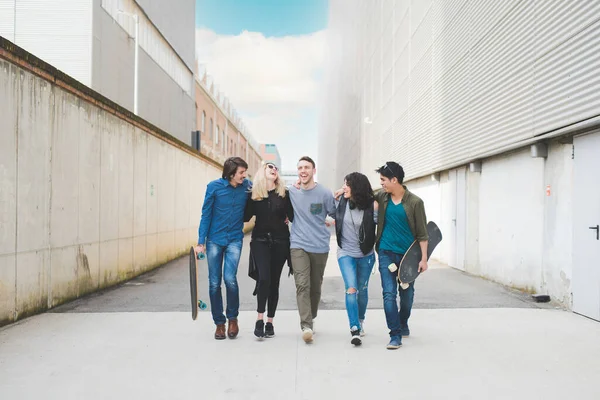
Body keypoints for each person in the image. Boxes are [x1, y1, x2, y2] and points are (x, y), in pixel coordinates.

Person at [374, 161, 429, 350]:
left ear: (394, 180)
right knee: (389, 294)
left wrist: (423, 259)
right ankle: (395, 334)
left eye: (383, 180)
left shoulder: (415, 202)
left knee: (407, 296)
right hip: (386, 252)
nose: (381, 184)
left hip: (408, 257)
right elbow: (362, 195)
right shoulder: (382, 197)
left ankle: (403, 322)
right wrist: (343, 190)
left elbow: (422, 233)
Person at [196, 157, 251, 340]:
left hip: (235, 239)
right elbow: (206, 214)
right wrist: (200, 242)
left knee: (230, 278)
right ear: (231, 173)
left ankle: (233, 319)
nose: (244, 175)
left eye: (245, 172)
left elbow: (266, 190)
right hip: (214, 240)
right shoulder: (214, 187)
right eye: (241, 172)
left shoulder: (247, 186)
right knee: (214, 283)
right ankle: (219, 323)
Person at [288, 156, 336, 343]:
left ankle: (311, 316)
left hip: (320, 246)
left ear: (313, 171)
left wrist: (330, 220)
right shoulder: (292, 191)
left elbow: (334, 212)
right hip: (298, 244)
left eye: (307, 167)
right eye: (300, 167)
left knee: (315, 287)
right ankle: (306, 325)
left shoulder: (324, 193)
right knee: (302, 284)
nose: (303, 171)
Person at [244, 162, 294, 339]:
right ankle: (259, 318)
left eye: (276, 169)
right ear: (263, 171)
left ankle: (270, 322)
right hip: (260, 241)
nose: (274, 170)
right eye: (270, 167)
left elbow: (293, 216)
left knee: (274, 282)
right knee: (264, 278)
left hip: (281, 242)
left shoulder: (284, 194)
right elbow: (244, 216)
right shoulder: (254, 194)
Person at [334, 172, 377, 346]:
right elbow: (324, 204)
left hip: (366, 255)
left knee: (362, 289)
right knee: (351, 288)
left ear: (357, 187)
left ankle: (360, 319)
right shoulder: (341, 201)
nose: (344, 187)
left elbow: (379, 227)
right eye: (343, 184)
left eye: (347, 184)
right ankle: (354, 329)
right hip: (345, 252)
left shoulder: (372, 206)